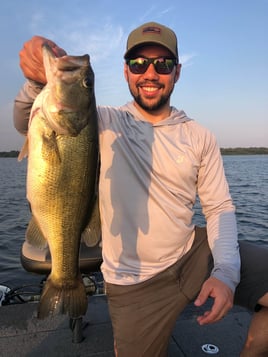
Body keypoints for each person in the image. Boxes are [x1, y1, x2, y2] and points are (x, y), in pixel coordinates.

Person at [14, 23, 268, 357]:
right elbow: (24, 121)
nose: (150, 73)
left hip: (192, 253)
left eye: (162, 64)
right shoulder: (102, 122)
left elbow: (219, 207)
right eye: (138, 64)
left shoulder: (200, 136)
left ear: (176, 73)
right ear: (125, 71)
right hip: (133, 282)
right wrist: (35, 78)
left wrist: (225, 274)